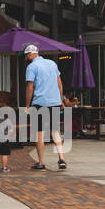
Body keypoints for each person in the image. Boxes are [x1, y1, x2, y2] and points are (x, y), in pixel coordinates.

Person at [23, 43, 67, 171]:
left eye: (26, 56)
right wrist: (61, 100)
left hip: (40, 103)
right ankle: (61, 158)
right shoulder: (52, 64)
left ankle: (41, 163)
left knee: (39, 134)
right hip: (54, 102)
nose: (26, 58)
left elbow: (30, 87)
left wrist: (27, 104)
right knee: (55, 131)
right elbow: (59, 83)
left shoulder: (32, 67)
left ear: (30, 54)